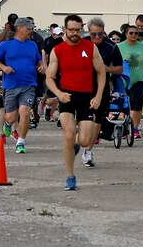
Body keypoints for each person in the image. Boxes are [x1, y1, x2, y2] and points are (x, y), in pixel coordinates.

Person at [45, 14, 106, 191]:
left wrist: (99, 95)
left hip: (87, 97)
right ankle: (70, 176)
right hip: (67, 97)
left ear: (82, 29)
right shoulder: (58, 50)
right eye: (71, 30)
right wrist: (58, 93)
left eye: (78, 30)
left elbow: (101, 72)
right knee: (69, 134)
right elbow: (49, 77)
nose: (74, 33)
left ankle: (75, 147)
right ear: (64, 30)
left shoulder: (91, 47)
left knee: (86, 140)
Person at [0, 18, 44, 154]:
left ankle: (21, 142)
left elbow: (38, 61)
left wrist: (41, 66)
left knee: (25, 113)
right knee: (11, 117)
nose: (31, 30)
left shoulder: (32, 45)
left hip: (29, 84)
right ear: (20, 28)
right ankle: (8, 124)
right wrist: (4, 67)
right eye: (29, 28)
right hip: (11, 85)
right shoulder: (5, 45)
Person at [83, 17, 123, 167]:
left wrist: (106, 69)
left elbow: (119, 68)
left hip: (102, 87)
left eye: (100, 34)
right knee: (83, 119)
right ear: (89, 32)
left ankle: (88, 150)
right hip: (82, 86)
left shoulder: (111, 46)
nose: (97, 37)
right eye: (94, 34)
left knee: (97, 119)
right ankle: (81, 140)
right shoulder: (82, 44)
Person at [118, 25, 143, 139]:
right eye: (131, 33)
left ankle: (135, 128)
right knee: (122, 104)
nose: (134, 35)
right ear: (126, 34)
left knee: (137, 104)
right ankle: (121, 128)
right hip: (122, 79)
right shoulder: (119, 47)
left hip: (138, 79)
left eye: (136, 33)